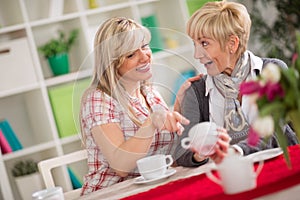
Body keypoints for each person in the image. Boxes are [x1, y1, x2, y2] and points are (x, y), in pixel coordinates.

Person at [174, 0, 298, 167]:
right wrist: (201, 152)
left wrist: (236, 151)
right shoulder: (195, 90)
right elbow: (182, 152)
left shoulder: (272, 70)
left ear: (232, 43)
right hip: (227, 175)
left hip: (283, 166)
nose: (197, 54)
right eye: (194, 44)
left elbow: (276, 130)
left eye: (204, 43)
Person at [79, 17, 191, 195]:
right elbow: (121, 165)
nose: (144, 56)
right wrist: (151, 123)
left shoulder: (149, 93)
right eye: (131, 55)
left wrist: (179, 107)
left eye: (144, 46)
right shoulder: (98, 99)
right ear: (112, 64)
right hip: (111, 194)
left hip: (150, 189)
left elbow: (166, 148)